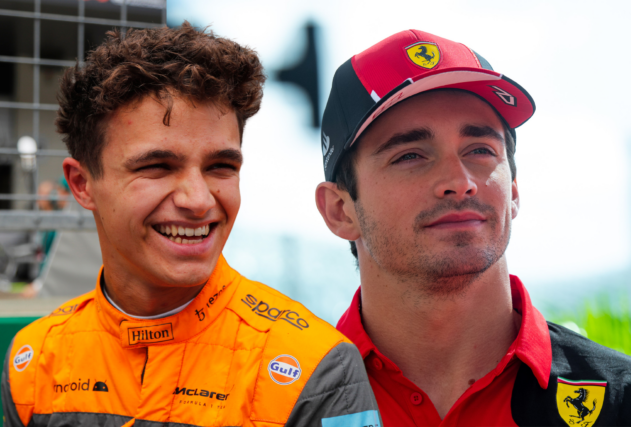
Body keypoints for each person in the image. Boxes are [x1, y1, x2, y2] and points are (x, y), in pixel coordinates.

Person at [2, 24, 381, 427]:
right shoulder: (33, 363)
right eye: (157, 166)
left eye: (221, 166)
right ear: (82, 185)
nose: (199, 201)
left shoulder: (316, 369)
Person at [315, 29, 631, 426]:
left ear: (514, 191)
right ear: (340, 210)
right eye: (410, 155)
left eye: (480, 150)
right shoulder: (275, 405)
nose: (459, 180)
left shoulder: (627, 400)